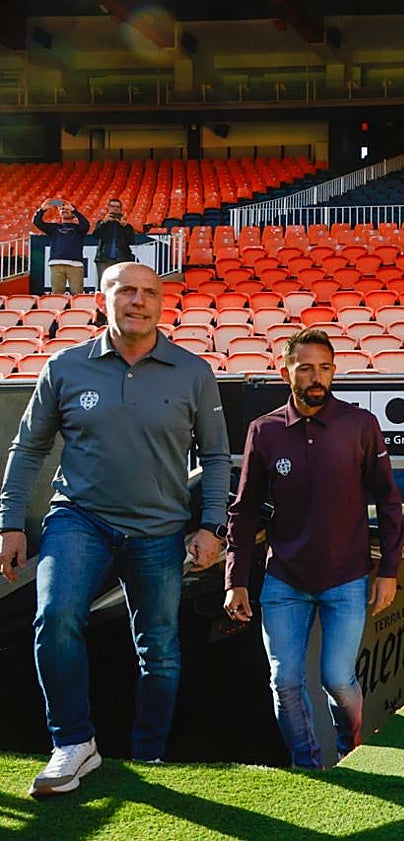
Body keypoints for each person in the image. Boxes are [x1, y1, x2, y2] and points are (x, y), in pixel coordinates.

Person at [0, 262, 231, 796]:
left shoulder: (193, 372)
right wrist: (10, 522)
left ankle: (149, 754)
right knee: (55, 618)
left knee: (160, 650)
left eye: (149, 292)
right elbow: (28, 447)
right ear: (103, 299)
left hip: (160, 530)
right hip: (79, 519)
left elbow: (217, 456)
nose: (138, 301)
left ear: (161, 304)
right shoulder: (64, 367)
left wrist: (213, 525)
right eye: (126, 290)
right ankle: (73, 743)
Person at [224, 328, 403, 769]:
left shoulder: (360, 424)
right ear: (285, 373)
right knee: (284, 680)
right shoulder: (263, 431)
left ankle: (349, 748)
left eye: (324, 368)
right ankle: (307, 765)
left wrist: (389, 570)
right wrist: (234, 580)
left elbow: (388, 499)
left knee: (337, 680)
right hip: (284, 579)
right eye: (305, 368)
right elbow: (244, 510)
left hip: (346, 577)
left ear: (334, 372)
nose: (316, 377)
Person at [32, 199, 89, 295]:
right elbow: (37, 222)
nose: (64, 210)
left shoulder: (79, 229)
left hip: (75, 265)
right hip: (57, 264)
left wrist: (74, 210)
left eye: (67, 209)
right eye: (61, 209)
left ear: (73, 213)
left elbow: (86, 224)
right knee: (57, 295)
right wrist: (42, 210)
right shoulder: (54, 228)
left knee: (77, 294)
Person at [93, 198, 138, 282]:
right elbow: (95, 236)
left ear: (121, 209)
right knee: (104, 283)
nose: (115, 209)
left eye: (117, 207)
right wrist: (103, 222)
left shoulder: (126, 226)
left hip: (122, 259)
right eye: (113, 206)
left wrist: (125, 227)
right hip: (104, 259)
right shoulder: (102, 223)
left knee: (122, 283)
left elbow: (132, 241)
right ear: (108, 207)